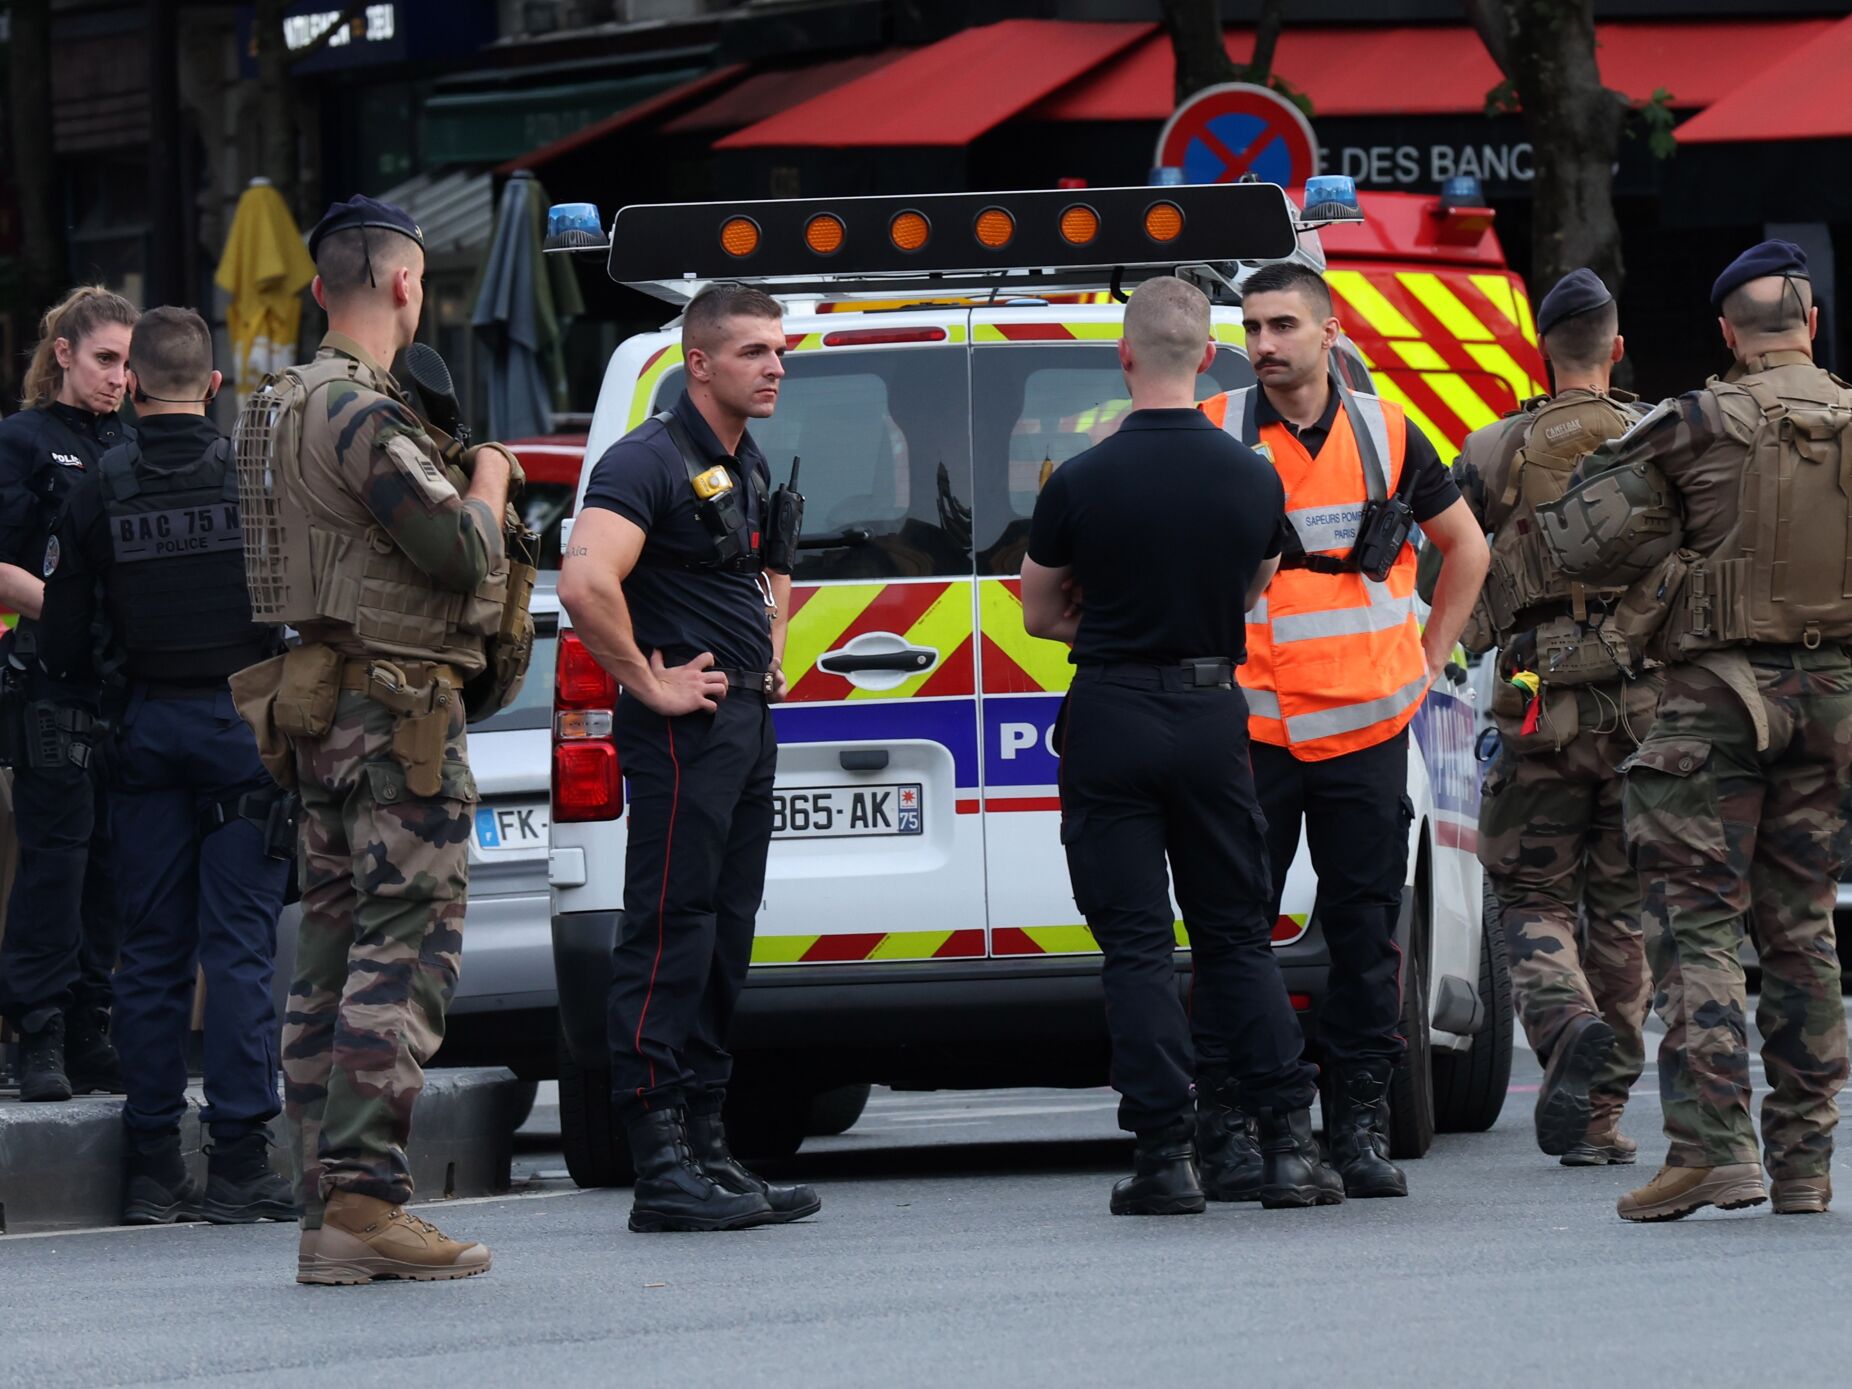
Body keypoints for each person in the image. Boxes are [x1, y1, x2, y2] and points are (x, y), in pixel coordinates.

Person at [232, 196, 519, 1283]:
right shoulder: (362, 413)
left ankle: (327, 1213)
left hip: (321, 706)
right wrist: (488, 477)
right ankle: (364, 1201)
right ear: (407, 286)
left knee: (330, 957)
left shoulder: (275, 405)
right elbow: (457, 551)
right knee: (403, 953)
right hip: (396, 717)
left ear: (318, 290)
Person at [1542, 241, 1852, 1222]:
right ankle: (1805, 1164)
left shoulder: (1693, 419)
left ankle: (1714, 1151)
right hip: (1831, 699)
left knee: (1696, 923)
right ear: (1810, 324)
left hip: (1713, 701)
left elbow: (1580, 538)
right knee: (1803, 929)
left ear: (1727, 331)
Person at [1021, 275, 1339, 1216]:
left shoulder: (1079, 478)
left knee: (1134, 947)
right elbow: (1254, 588)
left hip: (1111, 710)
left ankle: (1164, 1155)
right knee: (1237, 936)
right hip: (1211, 713)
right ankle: (1287, 1146)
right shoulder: (1254, 473)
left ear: (1124, 358)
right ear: (1209, 358)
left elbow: (1040, 610)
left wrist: (1108, 622)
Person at [1198, 261, 1489, 1199]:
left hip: (1367, 725)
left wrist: (1428, 658)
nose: (1265, 345)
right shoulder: (1217, 432)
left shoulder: (1388, 430)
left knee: (1367, 936)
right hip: (1255, 728)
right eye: (1252, 328)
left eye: (1283, 325)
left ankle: (1358, 1123)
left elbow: (1467, 549)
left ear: (1330, 333)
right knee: (1234, 931)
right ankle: (1237, 1120)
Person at [559, 283, 819, 1234]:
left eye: (779, 350)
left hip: (741, 725)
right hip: (685, 731)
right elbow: (586, 579)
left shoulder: (737, 461)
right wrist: (647, 681)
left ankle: (707, 1141)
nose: (775, 366)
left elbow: (763, 565)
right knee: (670, 930)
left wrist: (773, 652)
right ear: (698, 362)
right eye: (754, 351)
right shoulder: (648, 460)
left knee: (724, 933)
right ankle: (660, 1153)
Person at [39, 307, 294, 1225]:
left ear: (136, 386)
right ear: (214, 386)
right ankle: (238, 1163)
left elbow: (64, 638)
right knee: (238, 950)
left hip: (143, 734)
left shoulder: (98, 486)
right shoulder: (253, 476)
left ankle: (152, 1163)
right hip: (241, 732)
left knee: (149, 953)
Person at [1431, 270, 1657, 1165]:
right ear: (1618, 346)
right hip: (1644, 706)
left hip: (1535, 708)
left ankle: (1564, 1027)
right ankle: (1600, 1120)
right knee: (1624, 911)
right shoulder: (1664, 437)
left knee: (1529, 895)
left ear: (1541, 350)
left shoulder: (1492, 447)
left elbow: (1444, 570)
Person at [0, 286, 137, 1101]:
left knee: (112, 860)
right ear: (63, 355)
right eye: (104, 359)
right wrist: (77, 610)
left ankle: (89, 1022)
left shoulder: (132, 439)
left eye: (127, 361)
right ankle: (38, 1029)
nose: (118, 377)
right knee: (57, 855)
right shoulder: (22, 440)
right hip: (48, 678)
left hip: (120, 682)